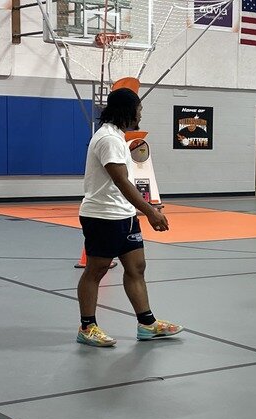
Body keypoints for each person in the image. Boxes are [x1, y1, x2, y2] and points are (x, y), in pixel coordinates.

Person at [76, 87, 183, 347]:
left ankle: (147, 324)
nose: (140, 115)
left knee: (136, 268)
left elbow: (122, 186)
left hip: (123, 215)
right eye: (139, 110)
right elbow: (122, 181)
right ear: (127, 110)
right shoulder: (109, 140)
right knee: (96, 270)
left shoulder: (118, 137)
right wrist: (150, 211)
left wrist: (136, 211)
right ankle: (87, 327)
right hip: (103, 217)